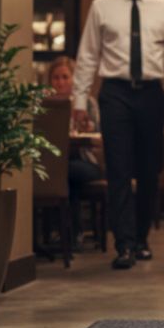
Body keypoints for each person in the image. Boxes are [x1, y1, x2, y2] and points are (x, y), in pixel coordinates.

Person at [72, 0, 164, 269]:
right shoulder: (101, 6)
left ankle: (141, 239)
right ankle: (123, 244)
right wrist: (80, 101)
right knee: (120, 169)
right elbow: (88, 56)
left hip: (152, 93)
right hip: (115, 93)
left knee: (149, 170)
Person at [48, 57, 104, 249]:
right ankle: (69, 233)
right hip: (57, 162)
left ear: (73, 79)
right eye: (56, 78)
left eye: (65, 77)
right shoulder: (46, 104)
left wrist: (87, 127)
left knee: (65, 173)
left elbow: (97, 135)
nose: (60, 82)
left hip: (87, 160)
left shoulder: (87, 103)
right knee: (63, 174)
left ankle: (68, 232)